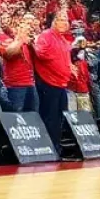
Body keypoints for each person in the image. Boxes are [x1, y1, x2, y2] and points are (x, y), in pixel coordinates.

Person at [34, 11, 73, 151]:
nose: (64, 23)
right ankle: (49, 146)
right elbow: (40, 52)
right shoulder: (46, 35)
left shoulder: (63, 39)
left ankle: (56, 145)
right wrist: (55, 61)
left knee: (61, 116)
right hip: (48, 82)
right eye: (61, 19)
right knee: (50, 117)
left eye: (66, 20)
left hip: (61, 83)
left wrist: (69, 68)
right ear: (54, 21)